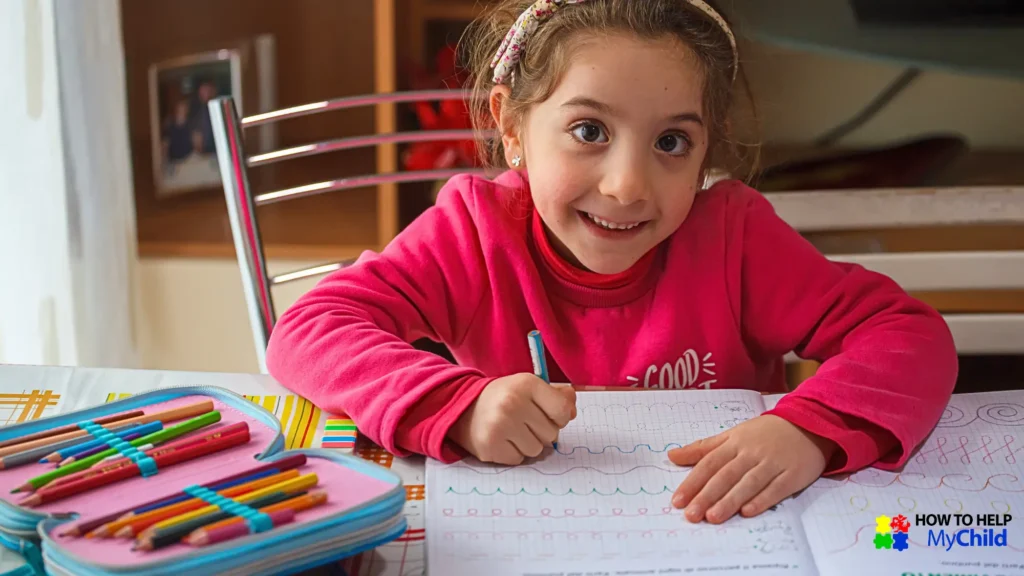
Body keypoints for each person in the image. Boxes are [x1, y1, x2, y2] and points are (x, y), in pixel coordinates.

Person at [266, 0, 957, 525]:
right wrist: (458, 404)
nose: (628, 185)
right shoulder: (475, 232)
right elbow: (309, 330)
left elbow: (910, 335)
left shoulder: (735, 239)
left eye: (672, 143)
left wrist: (806, 430)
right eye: (588, 131)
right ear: (511, 128)